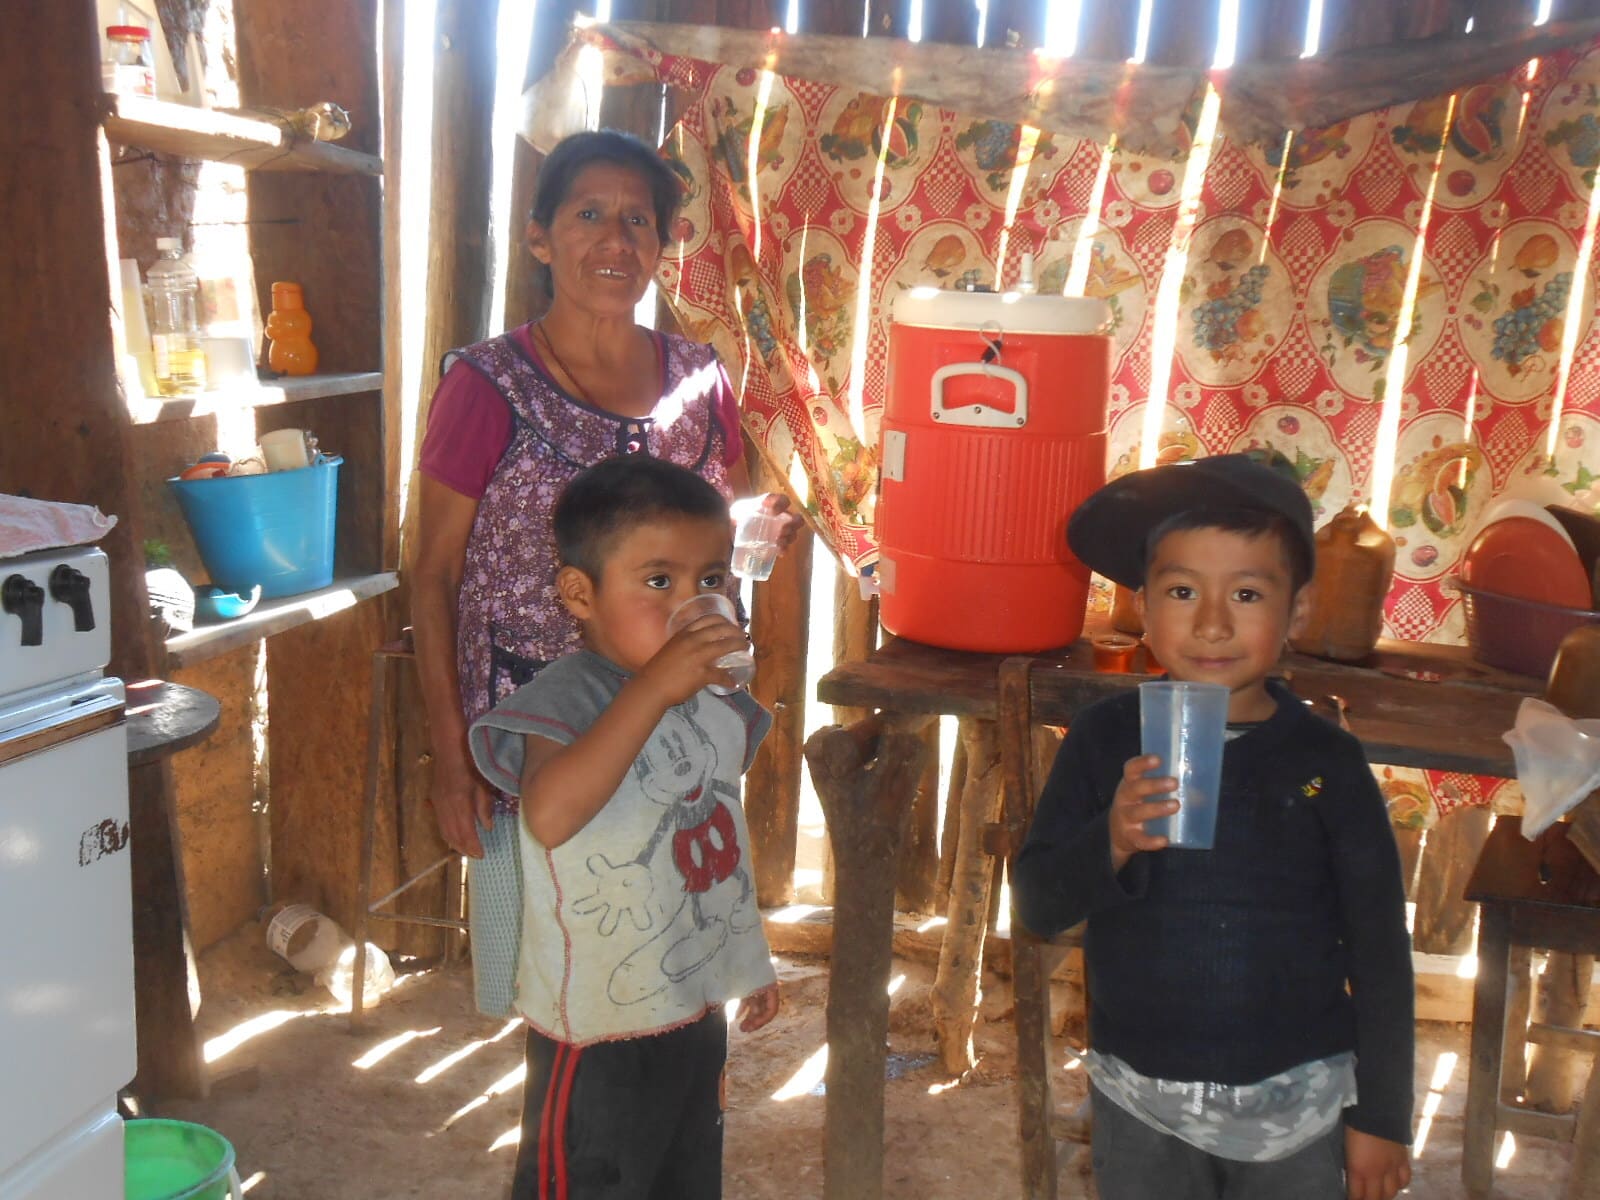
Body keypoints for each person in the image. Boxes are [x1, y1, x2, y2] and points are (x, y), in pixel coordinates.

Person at [412, 127, 793, 1022]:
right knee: (566, 967)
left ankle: (678, 1091)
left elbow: (717, 534)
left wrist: (757, 535)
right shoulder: (487, 384)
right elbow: (431, 573)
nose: (616, 242)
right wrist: (446, 748)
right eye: (589, 215)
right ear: (541, 237)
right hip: (538, 726)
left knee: (674, 924)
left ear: (662, 247)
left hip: (677, 718)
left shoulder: (700, 379)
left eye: (638, 221)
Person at [1011, 454, 1414, 1200]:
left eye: (1249, 593)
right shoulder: (1104, 741)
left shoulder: (1327, 762)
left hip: (1297, 1101)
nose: (1212, 621)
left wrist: (1382, 1115)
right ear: (1143, 604)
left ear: (1297, 613)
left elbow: (1382, 951)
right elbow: (1037, 902)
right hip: (1140, 1095)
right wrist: (1114, 838)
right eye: (1183, 589)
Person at [467, 456, 780, 1199]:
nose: (693, 602)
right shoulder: (567, 695)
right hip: (595, 1028)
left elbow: (716, 841)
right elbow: (549, 814)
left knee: (683, 1176)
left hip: (689, 1002)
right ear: (580, 593)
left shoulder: (707, 694)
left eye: (710, 579)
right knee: (589, 1181)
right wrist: (652, 690)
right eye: (659, 581)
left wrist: (749, 959)